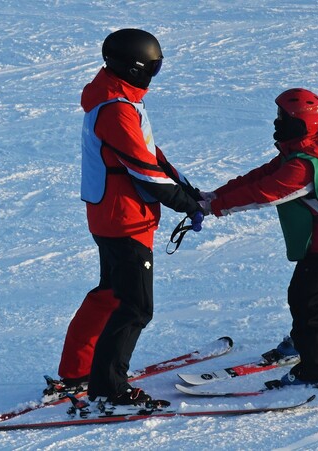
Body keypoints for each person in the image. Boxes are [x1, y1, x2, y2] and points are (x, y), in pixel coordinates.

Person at [49, 29, 206, 406]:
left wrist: (190, 189)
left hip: (116, 214)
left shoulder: (119, 99)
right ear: (137, 68)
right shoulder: (116, 109)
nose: (155, 73)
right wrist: (185, 202)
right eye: (154, 66)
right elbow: (144, 170)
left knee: (111, 293)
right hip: (124, 218)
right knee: (136, 306)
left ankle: (78, 370)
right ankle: (108, 387)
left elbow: (152, 154)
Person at [201, 88, 318, 388]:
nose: (276, 123)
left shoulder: (301, 167)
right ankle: (304, 338)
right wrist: (213, 195)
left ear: (299, 123)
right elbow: (256, 178)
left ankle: (314, 371)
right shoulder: (296, 154)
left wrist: (214, 207)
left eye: (282, 117)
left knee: (305, 302)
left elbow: (264, 193)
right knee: (304, 297)